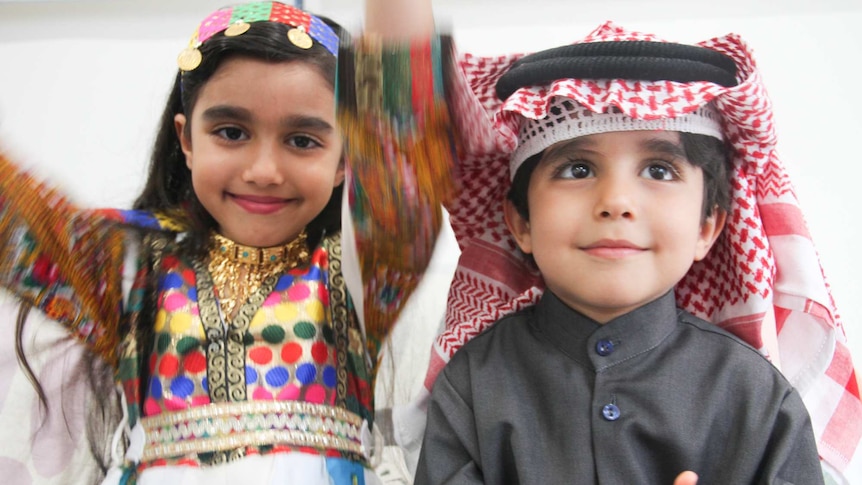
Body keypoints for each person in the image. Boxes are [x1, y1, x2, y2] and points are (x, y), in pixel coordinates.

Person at [0, 0, 452, 483]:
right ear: (187, 140)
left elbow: (406, 142)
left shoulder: (358, 277)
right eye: (232, 132)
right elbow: (17, 219)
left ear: (349, 159)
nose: (263, 171)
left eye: (302, 140)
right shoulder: (130, 272)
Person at [413, 24, 861, 483]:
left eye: (659, 170)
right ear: (521, 223)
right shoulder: (472, 386)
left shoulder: (756, 397)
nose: (617, 201)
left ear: (708, 227)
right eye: (578, 168)